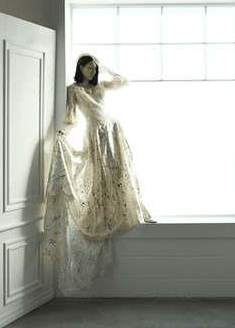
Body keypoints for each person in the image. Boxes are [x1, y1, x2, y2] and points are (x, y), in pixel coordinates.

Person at [43, 54, 155, 295]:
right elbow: (71, 117)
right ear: (80, 68)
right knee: (100, 176)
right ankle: (103, 213)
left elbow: (123, 80)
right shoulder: (73, 90)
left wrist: (105, 67)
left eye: (95, 68)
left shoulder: (102, 85)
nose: (92, 72)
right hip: (94, 135)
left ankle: (136, 209)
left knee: (120, 173)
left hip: (113, 131)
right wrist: (62, 132)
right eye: (89, 68)